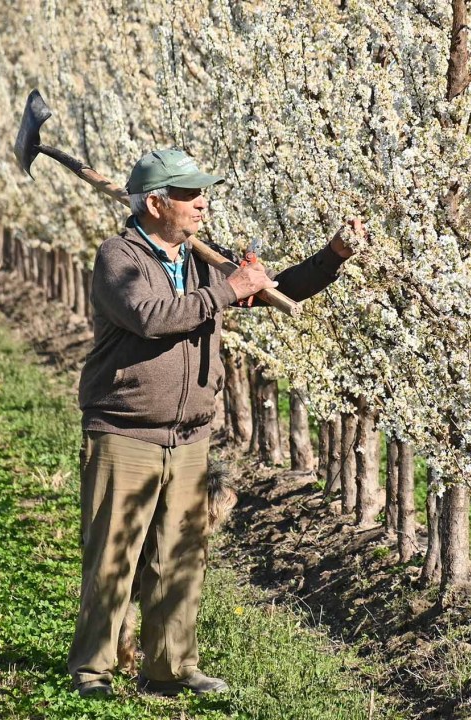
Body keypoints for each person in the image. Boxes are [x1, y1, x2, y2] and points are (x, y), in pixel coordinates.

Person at [68, 147, 356, 697]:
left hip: (190, 434)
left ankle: (169, 670)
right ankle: (93, 671)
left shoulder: (200, 259)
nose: (202, 203)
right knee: (113, 555)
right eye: (189, 194)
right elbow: (150, 318)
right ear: (155, 203)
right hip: (125, 428)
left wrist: (331, 256)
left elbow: (276, 291)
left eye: (203, 193)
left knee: (180, 555)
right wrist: (228, 290)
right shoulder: (118, 258)